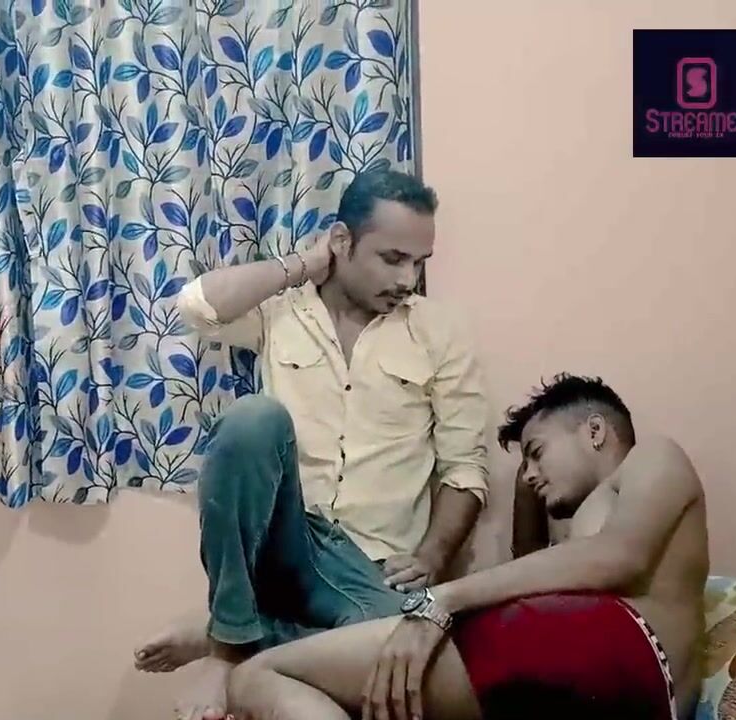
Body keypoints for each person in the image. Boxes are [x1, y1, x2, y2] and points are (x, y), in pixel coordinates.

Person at [134, 168, 491, 719]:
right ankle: (229, 647)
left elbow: (464, 468)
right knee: (254, 419)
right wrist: (305, 264)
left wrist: (431, 555)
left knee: (400, 661)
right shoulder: (282, 312)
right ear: (342, 241)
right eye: (393, 258)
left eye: (420, 262)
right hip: (290, 543)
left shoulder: (439, 333)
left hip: (371, 571)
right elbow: (196, 306)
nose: (408, 278)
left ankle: (233, 633)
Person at [225, 374, 709, 720]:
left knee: (258, 676)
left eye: (536, 452)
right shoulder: (582, 526)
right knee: (349, 685)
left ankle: (233, 640)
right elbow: (537, 571)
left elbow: (619, 557)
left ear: (596, 431)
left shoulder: (654, 457)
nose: (530, 474)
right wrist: (528, 487)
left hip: (627, 651)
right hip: (600, 675)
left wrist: (441, 601)